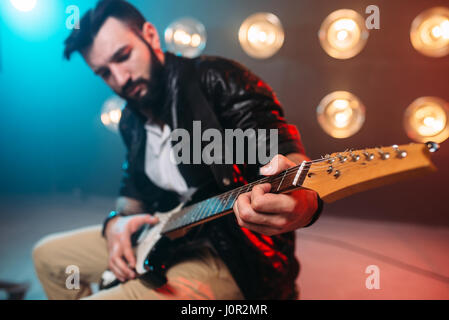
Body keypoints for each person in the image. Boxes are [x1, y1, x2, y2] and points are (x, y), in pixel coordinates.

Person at [33, 0, 323, 300]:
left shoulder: (217, 79)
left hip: (232, 254)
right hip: (165, 237)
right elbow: (131, 195)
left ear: (150, 35)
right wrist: (115, 224)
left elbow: (283, 153)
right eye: (105, 73)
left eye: (123, 56)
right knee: (47, 256)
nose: (120, 79)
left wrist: (303, 203)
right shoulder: (131, 120)